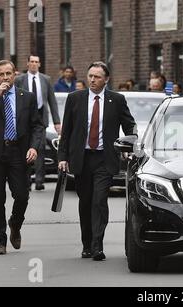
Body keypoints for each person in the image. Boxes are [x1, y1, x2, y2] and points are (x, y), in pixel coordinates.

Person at [58, 61, 137, 261]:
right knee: (85, 202)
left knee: (99, 201)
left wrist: (131, 145)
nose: (92, 80)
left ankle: (97, 245)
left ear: (106, 79)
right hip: (82, 158)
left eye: (97, 77)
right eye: (90, 76)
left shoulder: (116, 100)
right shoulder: (75, 98)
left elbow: (129, 125)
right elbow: (66, 131)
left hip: (104, 158)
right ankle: (87, 244)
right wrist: (62, 157)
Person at [0, 60, 44, 255]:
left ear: (15, 74)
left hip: (19, 152)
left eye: (8, 73)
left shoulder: (27, 98)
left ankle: (15, 224)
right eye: (1, 74)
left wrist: (34, 147)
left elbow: (37, 125)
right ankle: (0, 239)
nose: (5, 77)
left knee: (22, 195)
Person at [15, 55, 61, 191]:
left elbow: (52, 101)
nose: (34, 64)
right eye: (32, 62)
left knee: (39, 149)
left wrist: (57, 121)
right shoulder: (20, 79)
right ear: (27, 63)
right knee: (25, 149)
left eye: (36, 62)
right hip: (24, 118)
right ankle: (27, 179)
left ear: (39, 64)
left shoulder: (45, 79)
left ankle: (39, 180)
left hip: (41, 118)